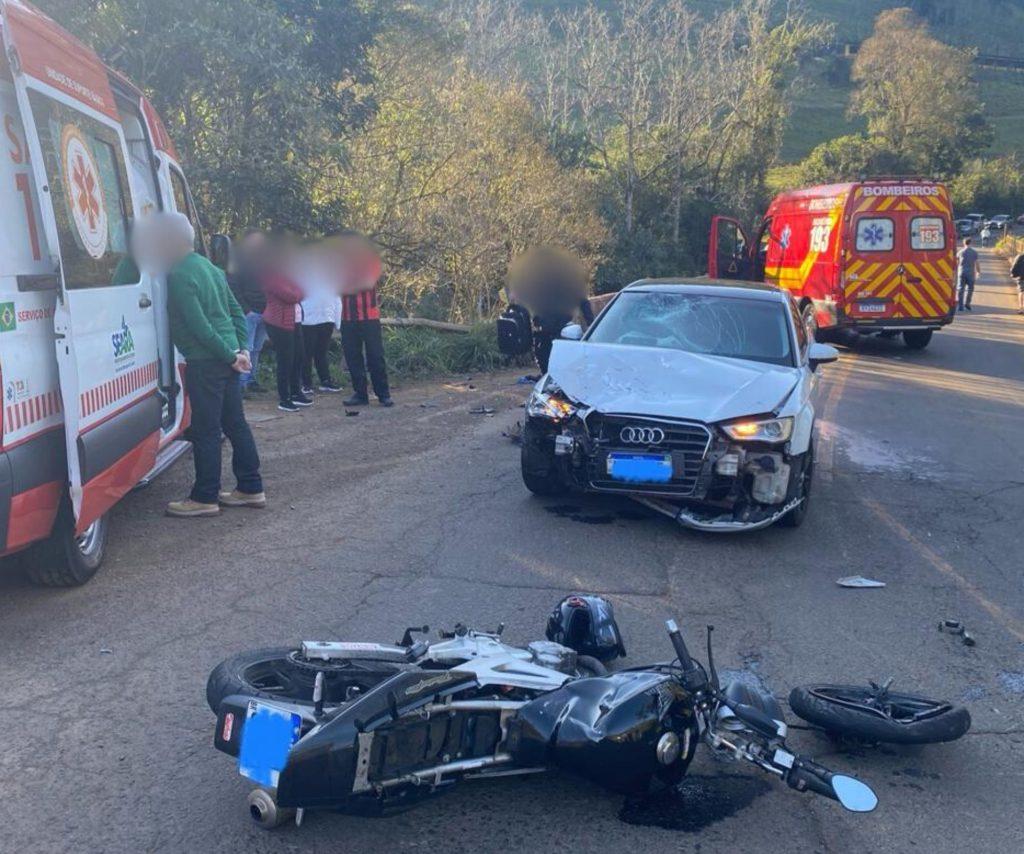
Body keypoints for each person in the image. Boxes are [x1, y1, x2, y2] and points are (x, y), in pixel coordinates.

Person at [161, 213, 264, 517]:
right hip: (229, 357)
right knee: (235, 423)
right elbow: (236, 311)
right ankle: (250, 487)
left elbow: (198, 326)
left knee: (206, 430)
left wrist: (230, 356)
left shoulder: (179, 274)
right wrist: (240, 349)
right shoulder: (212, 269)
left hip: (207, 362)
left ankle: (205, 496)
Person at [337, 234, 392, 407]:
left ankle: (383, 394)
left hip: (369, 316)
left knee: (376, 356)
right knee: (353, 357)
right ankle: (360, 393)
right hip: (348, 316)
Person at [262, 239, 312, 412]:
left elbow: (303, 291)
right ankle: (284, 398)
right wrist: (299, 290)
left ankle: (296, 392)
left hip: (294, 320)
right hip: (279, 322)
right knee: (286, 360)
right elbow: (290, 295)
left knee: (299, 357)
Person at [299, 245, 343, 393]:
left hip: (326, 319)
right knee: (307, 353)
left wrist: (337, 321)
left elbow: (337, 299)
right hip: (308, 320)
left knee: (321, 353)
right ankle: (306, 383)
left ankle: (325, 380)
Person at [233, 231, 270, 393]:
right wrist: (246, 309)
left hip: (265, 313)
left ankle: (251, 380)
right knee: (246, 347)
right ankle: (241, 384)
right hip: (249, 313)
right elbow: (233, 286)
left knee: (257, 348)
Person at [956, 237, 981, 312]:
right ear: (971, 243)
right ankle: (967, 303)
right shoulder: (974, 252)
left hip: (961, 272)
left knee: (961, 289)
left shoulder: (960, 252)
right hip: (970, 273)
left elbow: (956, 263)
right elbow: (977, 263)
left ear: (964, 243)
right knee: (970, 289)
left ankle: (960, 306)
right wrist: (978, 272)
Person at [1011, 250, 1024, 315]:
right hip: (1021, 277)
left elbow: (1014, 265)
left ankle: (1021, 308)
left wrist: (1012, 273)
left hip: (1021, 277)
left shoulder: (1019, 256)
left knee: (1021, 292)